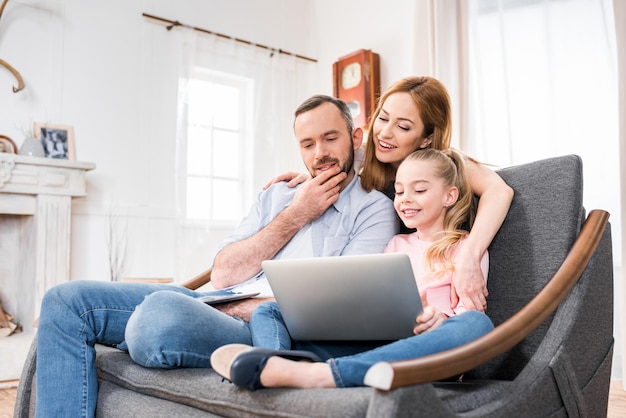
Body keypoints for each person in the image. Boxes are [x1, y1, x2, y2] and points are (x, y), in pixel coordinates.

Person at [34, 95, 399, 417]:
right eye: (307, 144)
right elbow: (223, 274)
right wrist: (296, 214)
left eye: (330, 138)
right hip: (215, 301)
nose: (319, 153)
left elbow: (340, 305)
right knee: (65, 301)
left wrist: (243, 308)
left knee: (158, 316)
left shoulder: (373, 210)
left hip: (263, 325)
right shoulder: (279, 197)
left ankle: (141, 330)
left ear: (355, 137)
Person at [210, 148, 494, 390]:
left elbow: (469, 316)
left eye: (419, 190)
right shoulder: (396, 243)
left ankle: (318, 375)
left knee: (478, 326)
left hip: (428, 353)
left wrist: (440, 320)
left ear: (449, 196)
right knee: (269, 310)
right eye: (399, 191)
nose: (405, 198)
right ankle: (282, 366)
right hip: (376, 345)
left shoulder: (467, 249)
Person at [264, 76, 514, 312]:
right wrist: (307, 178)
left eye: (403, 127)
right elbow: (331, 158)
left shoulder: (444, 164)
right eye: (383, 118)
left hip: (439, 287)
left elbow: (499, 191)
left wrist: (470, 256)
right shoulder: (367, 155)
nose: (384, 133)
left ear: (426, 139)